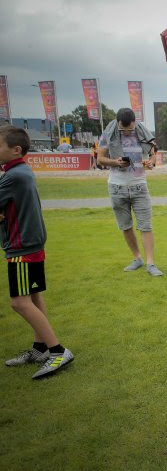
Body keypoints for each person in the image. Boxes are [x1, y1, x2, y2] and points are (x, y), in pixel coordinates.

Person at [0, 125, 74, 379]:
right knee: (33, 297)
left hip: (21, 248)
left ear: (16, 150)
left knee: (19, 302)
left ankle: (57, 351)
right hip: (32, 245)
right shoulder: (21, 172)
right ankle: (40, 347)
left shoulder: (13, 176)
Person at [97, 108, 163, 277]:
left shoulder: (143, 132)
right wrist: (115, 162)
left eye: (129, 129)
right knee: (126, 226)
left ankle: (150, 263)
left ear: (135, 122)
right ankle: (137, 258)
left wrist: (151, 162)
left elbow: (153, 154)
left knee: (145, 226)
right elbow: (100, 158)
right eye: (123, 130)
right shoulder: (108, 134)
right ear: (117, 122)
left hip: (139, 185)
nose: (126, 132)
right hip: (117, 186)